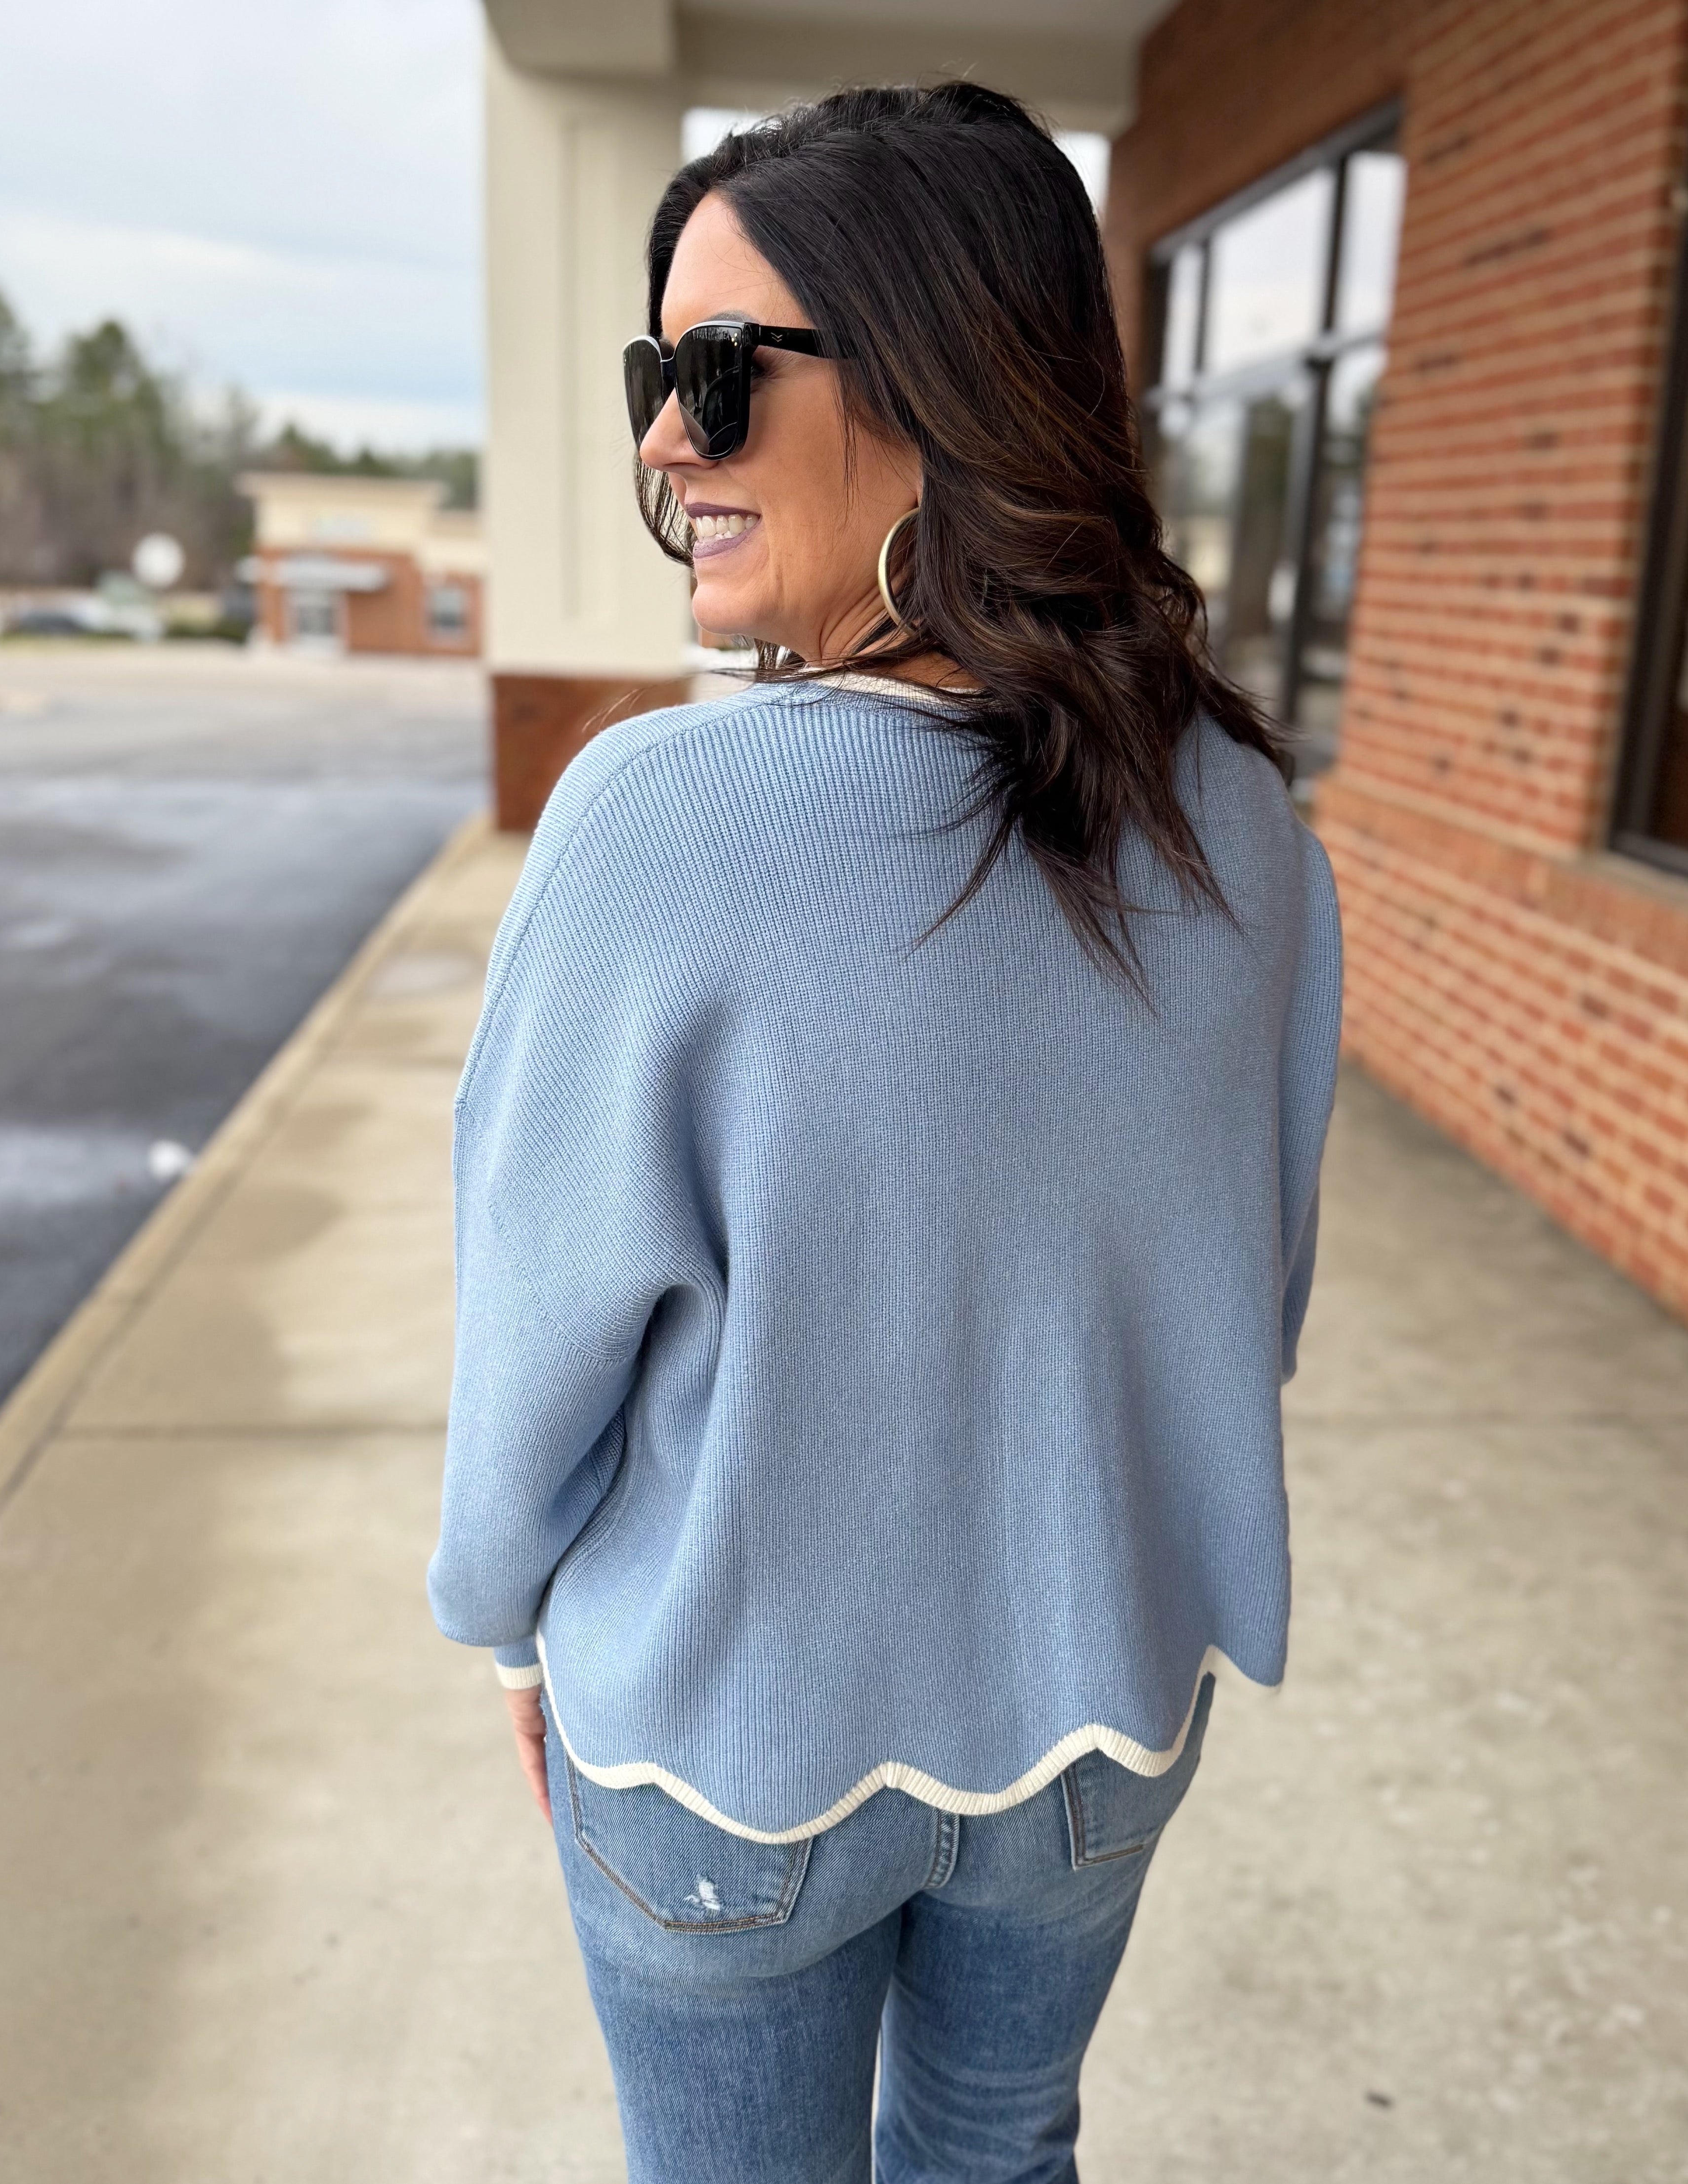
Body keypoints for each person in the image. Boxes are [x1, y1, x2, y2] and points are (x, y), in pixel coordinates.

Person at [430, 82, 1340, 2184]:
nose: (663, 438)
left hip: (733, 1746)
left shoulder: (657, 824)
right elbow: (1241, 1289)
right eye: (657, 377)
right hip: (1097, 1715)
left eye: (720, 377)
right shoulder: (1241, 828)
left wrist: (504, 1621)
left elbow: (537, 1346)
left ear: (939, 380)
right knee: (999, 2157)